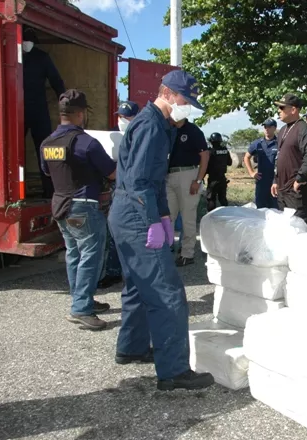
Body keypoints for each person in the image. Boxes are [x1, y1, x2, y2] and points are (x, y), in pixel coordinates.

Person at [108, 70, 214, 391]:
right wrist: (153, 221)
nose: (189, 107)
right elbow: (140, 182)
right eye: (185, 100)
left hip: (131, 212)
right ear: (167, 93)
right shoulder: (152, 126)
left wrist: (166, 216)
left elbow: (154, 181)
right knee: (168, 293)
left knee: (138, 287)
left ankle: (132, 347)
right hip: (137, 214)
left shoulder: (158, 124)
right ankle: (174, 372)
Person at [40, 90, 116, 330]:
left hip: (60, 205)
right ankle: (81, 309)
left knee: (74, 254)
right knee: (90, 258)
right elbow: (112, 173)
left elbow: (46, 171)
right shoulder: (87, 142)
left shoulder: (47, 142)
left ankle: (82, 300)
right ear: (81, 114)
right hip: (84, 206)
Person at [98, 101, 140, 289]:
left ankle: (134, 271)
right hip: (116, 186)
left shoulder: (142, 133)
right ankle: (114, 271)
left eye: (127, 117)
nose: (123, 120)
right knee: (114, 231)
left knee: (135, 232)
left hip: (135, 187)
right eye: (121, 116)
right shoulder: (113, 134)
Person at [23, 26, 66, 199]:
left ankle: (49, 190)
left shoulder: (42, 57)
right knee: (14, 149)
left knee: (46, 149)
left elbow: (57, 81)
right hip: (16, 109)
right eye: (25, 41)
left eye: (29, 42)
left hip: (38, 108)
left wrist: (64, 104)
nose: (27, 44)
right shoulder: (12, 55)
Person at [270, 94, 307, 232]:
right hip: (282, 189)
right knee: (286, 227)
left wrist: (300, 178)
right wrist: (275, 180)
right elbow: (279, 157)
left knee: (300, 226)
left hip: (296, 190)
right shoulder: (283, 131)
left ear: (293, 110)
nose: (278, 111)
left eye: (281, 107)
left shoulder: (304, 129)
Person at [166, 117, 210, 266]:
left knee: (187, 217)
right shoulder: (169, 129)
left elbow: (204, 155)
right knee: (167, 217)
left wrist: (198, 180)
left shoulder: (193, 130)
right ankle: (166, 250)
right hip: (168, 175)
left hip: (188, 174)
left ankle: (187, 253)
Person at [245, 118, 279, 209]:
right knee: (260, 208)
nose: (266, 129)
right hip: (261, 181)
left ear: (275, 128)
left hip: (275, 181)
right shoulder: (257, 143)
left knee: (275, 209)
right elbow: (246, 157)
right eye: (265, 127)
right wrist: (252, 173)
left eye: (269, 127)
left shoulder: (280, 143)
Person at [205, 132, 232, 211]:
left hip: (213, 179)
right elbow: (229, 163)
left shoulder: (210, 152)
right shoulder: (225, 150)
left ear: (211, 141)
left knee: (211, 199)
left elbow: (205, 166)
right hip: (222, 179)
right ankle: (227, 216)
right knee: (223, 199)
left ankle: (211, 217)